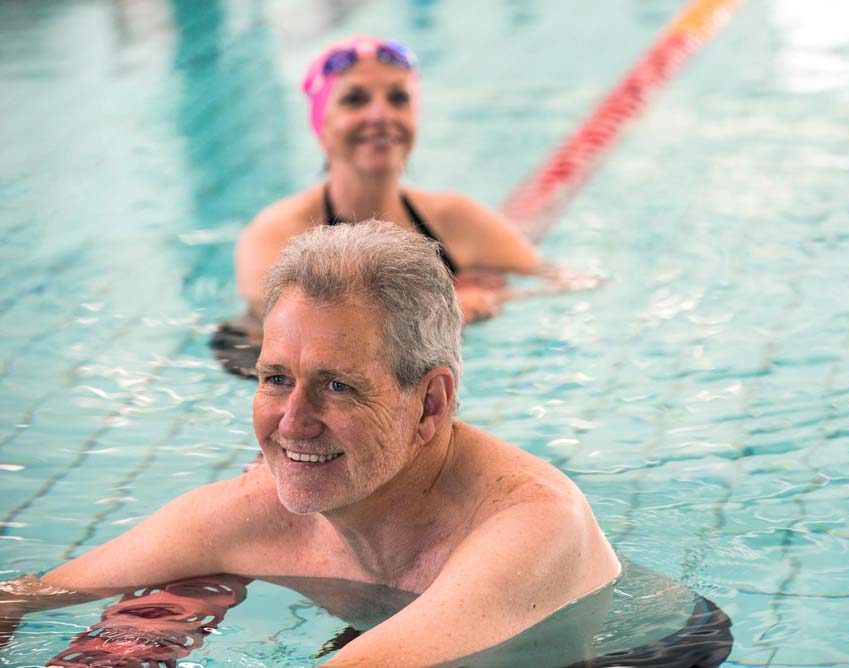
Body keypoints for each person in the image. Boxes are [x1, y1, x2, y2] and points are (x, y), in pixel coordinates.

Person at [2, 222, 622, 667]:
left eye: (338, 386)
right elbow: (25, 597)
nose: (293, 424)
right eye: (276, 379)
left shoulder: (532, 526)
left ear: (430, 403)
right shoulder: (257, 514)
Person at [237, 35, 546, 329]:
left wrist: (490, 298)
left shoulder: (456, 218)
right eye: (355, 100)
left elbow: (559, 285)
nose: (381, 115)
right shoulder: (278, 235)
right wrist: (447, 308)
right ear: (322, 123)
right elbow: (280, 330)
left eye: (398, 99)